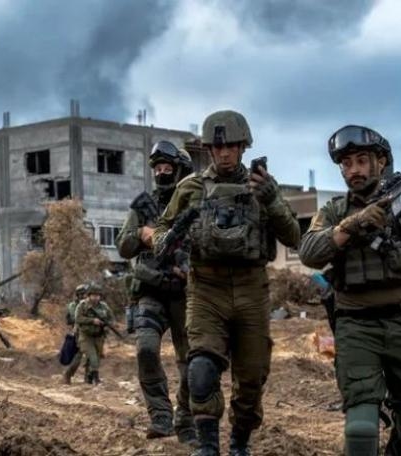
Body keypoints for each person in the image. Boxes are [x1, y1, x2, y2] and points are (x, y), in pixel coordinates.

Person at [298, 124, 401, 456]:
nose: (354, 170)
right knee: (360, 429)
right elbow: (310, 252)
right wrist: (353, 224)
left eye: (362, 161)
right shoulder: (334, 211)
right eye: (347, 164)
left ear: (381, 162)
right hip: (356, 325)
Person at [153, 110, 301, 456]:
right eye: (217, 147)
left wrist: (271, 199)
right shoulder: (190, 188)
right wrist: (165, 242)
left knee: (251, 378)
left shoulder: (262, 186)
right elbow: (161, 229)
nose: (224, 153)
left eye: (231, 146)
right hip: (206, 288)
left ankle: (239, 444)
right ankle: (207, 446)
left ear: (243, 147)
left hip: (252, 289)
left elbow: (294, 236)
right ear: (208, 149)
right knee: (201, 369)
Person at [115, 141, 197, 444]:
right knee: (146, 350)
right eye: (158, 168)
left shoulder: (194, 204)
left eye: (167, 167)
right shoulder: (144, 206)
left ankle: (186, 418)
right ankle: (160, 415)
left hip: (185, 293)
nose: (162, 172)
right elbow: (123, 246)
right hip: (151, 291)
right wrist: (141, 234)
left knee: (192, 362)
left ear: (180, 171)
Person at [72, 283, 114, 385]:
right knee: (93, 358)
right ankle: (96, 379)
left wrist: (107, 326)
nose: (96, 297)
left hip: (99, 336)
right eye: (94, 295)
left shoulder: (104, 306)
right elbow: (78, 319)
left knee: (97, 359)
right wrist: (92, 321)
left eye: (98, 295)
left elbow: (111, 318)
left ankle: (89, 376)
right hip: (86, 336)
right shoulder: (82, 305)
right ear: (89, 295)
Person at [63, 283, 89, 384]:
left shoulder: (89, 304)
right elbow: (73, 319)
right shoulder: (73, 305)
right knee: (79, 355)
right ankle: (68, 374)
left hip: (90, 331)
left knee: (91, 355)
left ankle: (88, 378)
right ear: (79, 295)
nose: (85, 296)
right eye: (83, 294)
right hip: (79, 331)